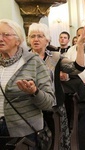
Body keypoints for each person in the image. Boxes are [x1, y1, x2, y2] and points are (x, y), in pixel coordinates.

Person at [27, 23, 85, 149]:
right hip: (30, 108)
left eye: (40, 36)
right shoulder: (24, 58)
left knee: (57, 142)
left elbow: (77, 68)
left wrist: (80, 46)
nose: (36, 39)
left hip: (53, 108)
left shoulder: (55, 57)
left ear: (47, 39)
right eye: (32, 36)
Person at [0, 19, 55, 149]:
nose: (0, 39)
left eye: (5, 35)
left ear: (18, 40)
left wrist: (34, 92)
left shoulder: (34, 62)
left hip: (24, 132)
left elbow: (49, 103)